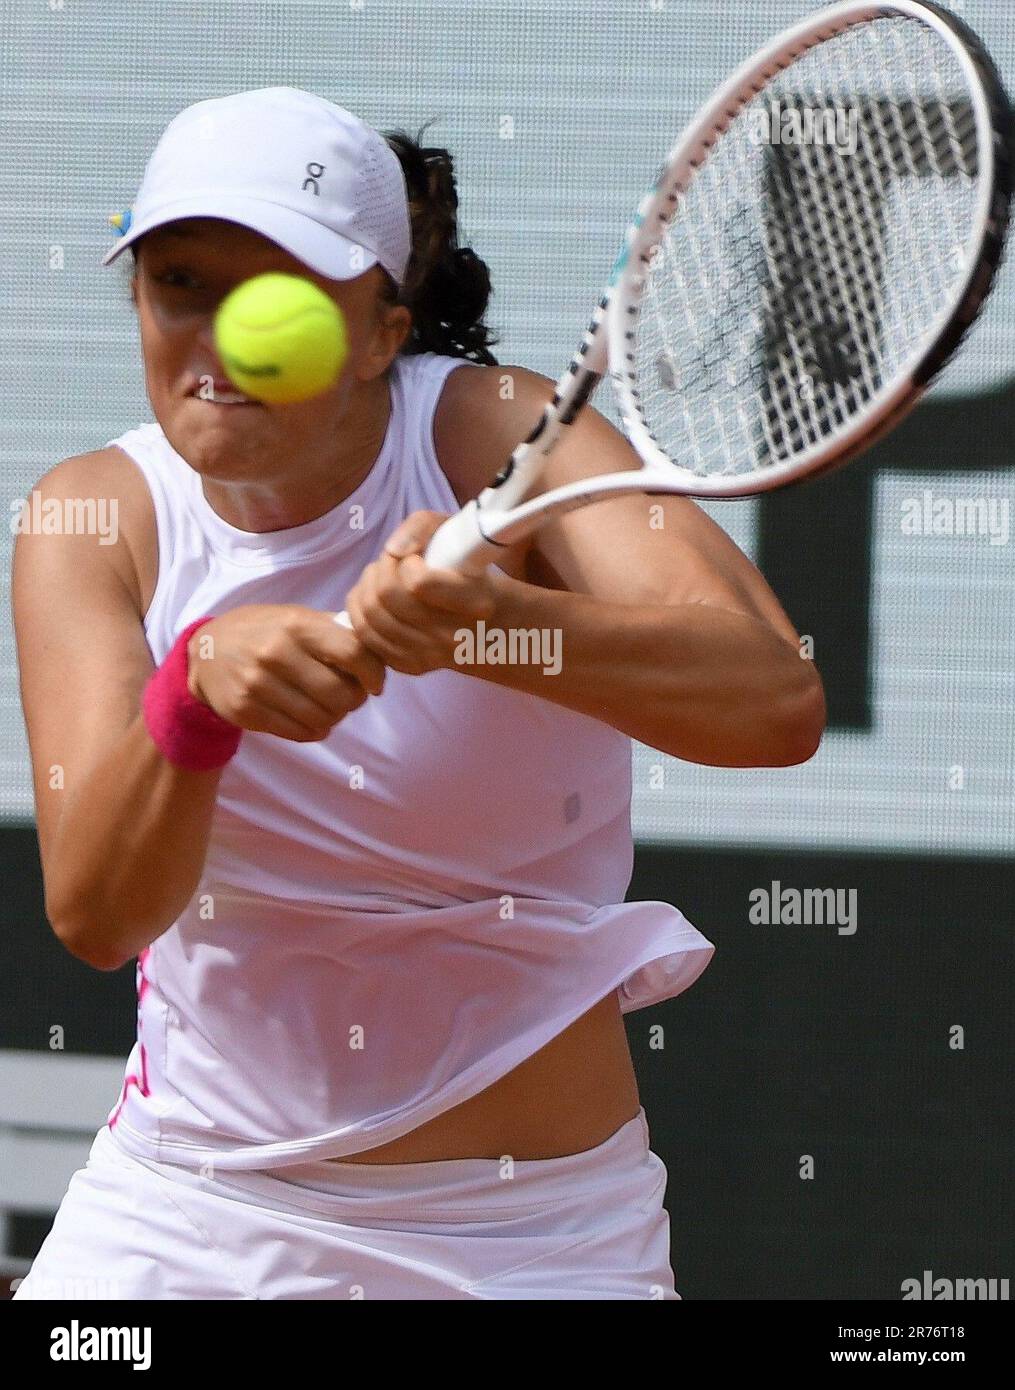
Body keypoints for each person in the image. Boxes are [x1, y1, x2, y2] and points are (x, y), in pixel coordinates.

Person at [11, 87, 825, 1300]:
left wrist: (501, 631)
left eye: (272, 292)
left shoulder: (503, 434)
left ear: (385, 332)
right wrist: (193, 704)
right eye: (178, 281)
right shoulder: (89, 519)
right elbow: (97, 914)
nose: (220, 337)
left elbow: (773, 701)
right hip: (187, 1216)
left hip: (532, 1240)